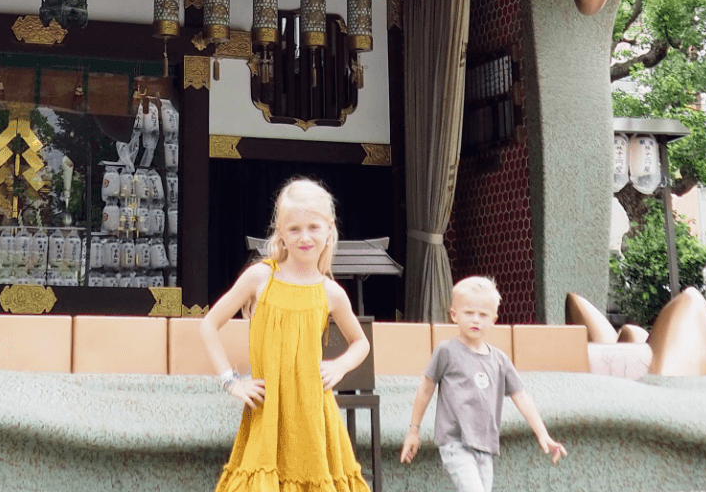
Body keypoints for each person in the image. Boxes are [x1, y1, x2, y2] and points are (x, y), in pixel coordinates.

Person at [201, 177, 372, 492]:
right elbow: (208, 325)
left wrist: (340, 366)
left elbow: (360, 343)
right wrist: (231, 381)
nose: (304, 237)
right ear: (280, 232)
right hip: (267, 413)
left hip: (314, 417)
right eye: (294, 229)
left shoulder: (331, 293)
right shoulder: (260, 277)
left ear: (329, 229)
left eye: (313, 227)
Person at [400, 276, 566, 492]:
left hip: (486, 446)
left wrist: (543, 434)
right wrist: (414, 431)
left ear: (494, 319)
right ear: (454, 315)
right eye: (469, 313)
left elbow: (522, 397)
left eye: (483, 314)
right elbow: (426, 388)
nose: (476, 320)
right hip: (455, 442)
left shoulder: (500, 360)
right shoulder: (446, 351)